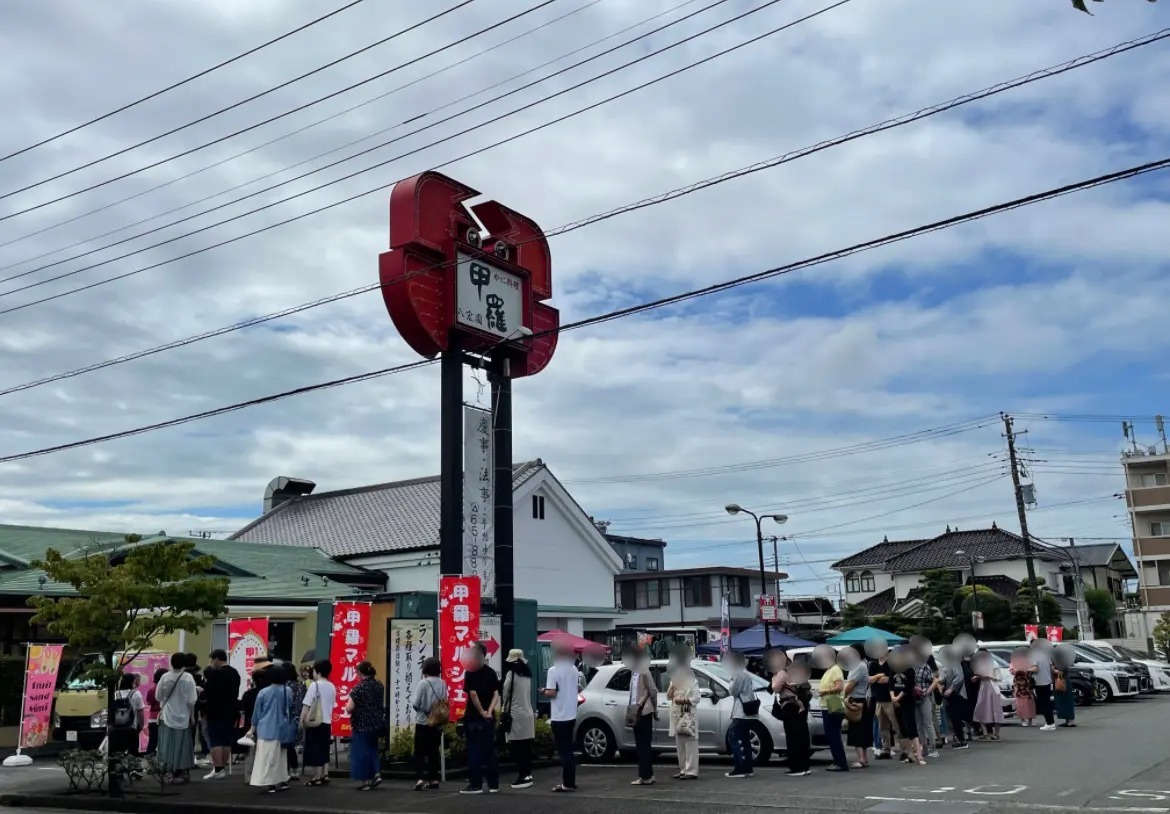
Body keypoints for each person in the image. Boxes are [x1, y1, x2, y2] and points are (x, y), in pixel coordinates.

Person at [460, 642, 500, 795]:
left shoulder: (470, 671)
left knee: (475, 751)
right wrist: (489, 712)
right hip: (489, 719)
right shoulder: (491, 672)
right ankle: (493, 784)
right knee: (489, 751)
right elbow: (496, 694)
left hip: (474, 718)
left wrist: (482, 712)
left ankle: (475, 784)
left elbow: (473, 694)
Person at [541, 638, 580, 794]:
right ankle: (571, 781)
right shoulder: (574, 669)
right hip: (571, 714)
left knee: (564, 752)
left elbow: (553, 692)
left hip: (559, 715)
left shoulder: (553, 670)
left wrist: (543, 691)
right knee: (569, 749)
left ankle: (567, 784)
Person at [247, 664, 291, 794]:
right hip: (283, 728)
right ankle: (282, 780)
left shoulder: (264, 692)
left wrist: (252, 728)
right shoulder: (287, 690)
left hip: (266, 728)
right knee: (281, 757)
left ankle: (269, 783)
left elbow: (257, 713)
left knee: (267, 758)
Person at [155, 652, 198, 783]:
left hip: (167, 715)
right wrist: (192, 716)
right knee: (183, 744)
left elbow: (158, 696)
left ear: (171, 663)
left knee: (167, 744)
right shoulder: (188, 677)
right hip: (184, 715)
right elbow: (192, 700)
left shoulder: (165, 677)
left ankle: (167, 771)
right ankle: (182, 771)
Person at [200, 649, 240, 780]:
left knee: (215, 740)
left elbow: (208, 693)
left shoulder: (215, 674)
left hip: (215, 710)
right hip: (231, 711)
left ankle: (218, 769)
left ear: (217, 659)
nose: (211, 662)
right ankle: (222, 767)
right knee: (226, 740)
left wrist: (201, 693)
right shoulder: (235, 673)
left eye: (212, 659)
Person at [409, 656, 447, 791]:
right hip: (436, 722)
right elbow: (444, 700)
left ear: (425, 668)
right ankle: (433, 778)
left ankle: (420, 778)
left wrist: (423, 709)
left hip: (423, 722)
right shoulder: (443, 683)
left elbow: (415, 703)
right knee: (433, 752)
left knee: (420, 751)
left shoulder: (423, 683)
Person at [346, 661, 385, 791]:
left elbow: (349, 707)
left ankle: (365, 782)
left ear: (360, 673)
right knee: (372, 750)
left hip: (361, 724)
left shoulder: (359, 688)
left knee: (361, 752)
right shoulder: (379, 685)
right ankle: (376, 773)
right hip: (376, 723)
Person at [502, 649, 536, 790]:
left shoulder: (511, 674)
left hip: (516, 715)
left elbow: (506, 693)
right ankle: (528, 774)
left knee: (517, 747)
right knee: (526, 747)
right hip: (528, 714)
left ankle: (522, 776)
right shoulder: (527, 675)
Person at [300, 659, 336, 787]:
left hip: (315, 722)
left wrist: (302, 720)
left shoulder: (314, 686)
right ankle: (323, 775)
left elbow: (306, 705)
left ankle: (316, 777)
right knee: (323, 749)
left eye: (314, 671)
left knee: (314, 750)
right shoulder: (332, 686)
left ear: (318, 672)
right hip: (326, 721)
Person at [627, 645, 658, 786]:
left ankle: (646, 776)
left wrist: (655, 708)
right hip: (635, 711)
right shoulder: (633, 672)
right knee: (640, 745)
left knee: (644, 745)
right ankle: (647, 775)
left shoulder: (644, 671)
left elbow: (653, 690)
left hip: (644, 711)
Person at [889, 649, 925, 766]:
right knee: (902, 728)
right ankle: (909, 754)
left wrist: (898, 697)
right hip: (895, 701)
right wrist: (893, 697)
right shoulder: (892, 669)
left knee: (911, 727)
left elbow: (909, 686)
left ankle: (919, 755)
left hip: (907, 700)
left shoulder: (909, 670)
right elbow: (890, 685)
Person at [725, 650, 756, 779]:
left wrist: (731, 680)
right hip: (749, 711)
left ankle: (740, 767)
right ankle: (748, 767)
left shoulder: (737, 674)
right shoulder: (747, 674)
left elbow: (733, 691)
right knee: (745, 740)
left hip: (740, 711)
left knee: (734, 738)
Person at [667, 660, 701, 779]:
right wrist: (672, 687)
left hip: (688, 713)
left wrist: (684, 700)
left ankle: (691, 771)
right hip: (676, 714)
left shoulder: (692, 681)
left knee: (690, 742)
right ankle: (683, 769)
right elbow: (668, 696)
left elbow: (697, 698)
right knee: (680, 744)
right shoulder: (674, 680)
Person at [816, 649, 848, 772]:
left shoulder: (835, 669)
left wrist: (825, 692)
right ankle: (837, 761)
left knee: (833, 735)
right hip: (827, 705)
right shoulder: (830, 669)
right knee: (832, 735)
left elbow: (839, 687)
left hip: (832, 706)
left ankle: (841, 762)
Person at [841, 646, 872, 769]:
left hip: (856, 701)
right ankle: (863, 758)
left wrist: (843, 695)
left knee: (857, 730)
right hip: (861, 700)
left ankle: (861, 759)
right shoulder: (862, 664)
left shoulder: (858, 666)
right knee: (862, 729)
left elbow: (850, 685)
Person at [868, 647, 899, 758]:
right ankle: (886, 749)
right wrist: (879, 676)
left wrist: (877, 678)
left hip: (890, 699)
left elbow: (889, 679)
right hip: (878, 699)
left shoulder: (891, 664)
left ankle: (907, 749)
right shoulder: (873, 664)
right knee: (882, 726)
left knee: (896, 725)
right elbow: (869, 679)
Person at [110, 672, 146, 758]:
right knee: (133, 752)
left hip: (117, 727)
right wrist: (141, 725)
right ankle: (132, 769)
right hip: (131, 727)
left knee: (117, 752)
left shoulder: (115, 694)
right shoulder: (136, 694)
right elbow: (140, 711)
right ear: (132, 682)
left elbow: (111, 710)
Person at [939, 649, 969, 750]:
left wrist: (951, 688)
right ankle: (959, 738)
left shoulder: (955, 663)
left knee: (956, 717)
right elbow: (944, 678)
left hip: (956, 693)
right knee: (952, 717)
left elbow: (959, 678)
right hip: (949, 693)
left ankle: (962, 740)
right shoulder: (946, 665)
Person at [281, 662, 306, 779]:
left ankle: (286, 770)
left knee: (285, 746)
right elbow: (302, 703)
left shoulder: (284, 687)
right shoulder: (301, 685)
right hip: (298, 719)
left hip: (286, 719)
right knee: (291, 745)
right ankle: (294, 769)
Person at [912, 651, 939, 759]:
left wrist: (927, 692)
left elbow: (935, 680)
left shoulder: (926, 667)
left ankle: (933, 748)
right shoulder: (912, 667)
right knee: (919, 725)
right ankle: (924, 748)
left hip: (925, 697)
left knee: (928, 723)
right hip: (915, 697)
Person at [972, 652, 1005, 740]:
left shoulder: (994, 664)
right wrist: (976, 677)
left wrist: (989, 676)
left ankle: (996, 733)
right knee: (980, 709)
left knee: (995, 710)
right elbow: (978, 675)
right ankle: (985, 732)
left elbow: (999, 678)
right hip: (983, 689)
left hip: (993, 688)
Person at [1030, 639, 1057, 731]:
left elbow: (1035, 669)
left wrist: (1026, 670)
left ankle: (1049, 723)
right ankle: (1051, 722)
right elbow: (1052, 668)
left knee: (1043, 703)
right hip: (1048, 681)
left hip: (1039, 683)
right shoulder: (1046, 655)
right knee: (1048, 703)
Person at [144, 667, 166, 756]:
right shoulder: (165, 689)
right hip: (163, 716)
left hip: (152, 717)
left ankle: (149, 755)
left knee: (153, 739)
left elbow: (149, 702)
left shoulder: (151, 690)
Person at [1012, 662, 1037, 727]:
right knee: (1020, 702)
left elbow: (1035, 668)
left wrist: (1027, 669)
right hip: (1018, 683)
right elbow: (1013, 671)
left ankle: (1030, 720)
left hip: (1028, 683)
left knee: (1030, 702)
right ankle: (1022, 720)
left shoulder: (1029, 660)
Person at [1053, 661, 1077, 728]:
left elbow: (1060, 673)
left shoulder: (1061, 663)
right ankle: (1068, 720)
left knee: (1066, 701)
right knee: (1063, 702)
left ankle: (1070, 721)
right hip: (1063, 682)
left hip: (1063, 683)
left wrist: (1052, 671)